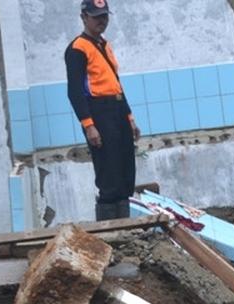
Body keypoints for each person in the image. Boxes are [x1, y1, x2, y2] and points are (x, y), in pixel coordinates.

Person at [65, 0, 140, 220]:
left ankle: (126, 225)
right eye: (96, 16)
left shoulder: (104, 44)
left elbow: (116, 83)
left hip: (117, 108)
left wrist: (129, 117)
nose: (102, 21)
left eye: (104, 16)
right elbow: (75, 92)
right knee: (109, 170)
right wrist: (89, 125)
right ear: (84, 17)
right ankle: (109, 226)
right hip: (99, 111)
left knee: (126, 167)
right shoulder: (78, 48)